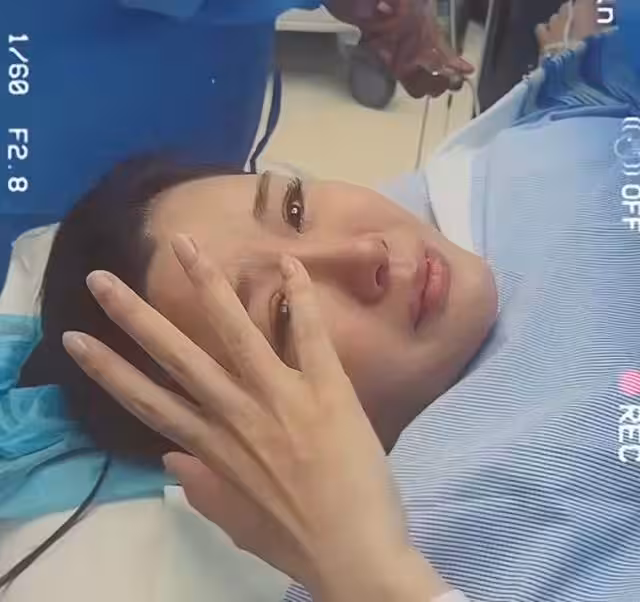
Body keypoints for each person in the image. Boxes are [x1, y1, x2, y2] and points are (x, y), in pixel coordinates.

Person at [6, 0, 640, 600]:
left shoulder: (520, 157)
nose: (365, 254)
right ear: (251, 451)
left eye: (293, 208)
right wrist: (368, 574)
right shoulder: (468, 530)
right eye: (285, 314)